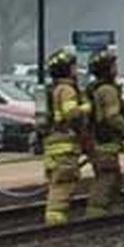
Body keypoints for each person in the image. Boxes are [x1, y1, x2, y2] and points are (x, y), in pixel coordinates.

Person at [85, 46, 124, 218]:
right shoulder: (108, 90)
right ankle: (95, 218)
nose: (116, 69)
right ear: (106, 69)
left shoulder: (96, 88)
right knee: (107, 179)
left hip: (99, 143)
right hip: (105, 143)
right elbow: (112, 117)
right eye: (113, 66)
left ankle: (109, 216)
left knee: (112, 180)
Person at [42, 46, 90, 226]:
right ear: (66, 69)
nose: (75, 70)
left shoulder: (53, 89)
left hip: (53, 146)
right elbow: (72, 115)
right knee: (63, 186)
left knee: (56, 184)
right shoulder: (67, 90)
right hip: (65, 146)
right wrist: (87, 107)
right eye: (73, 67)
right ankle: (55, 226)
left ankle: (55, 220)